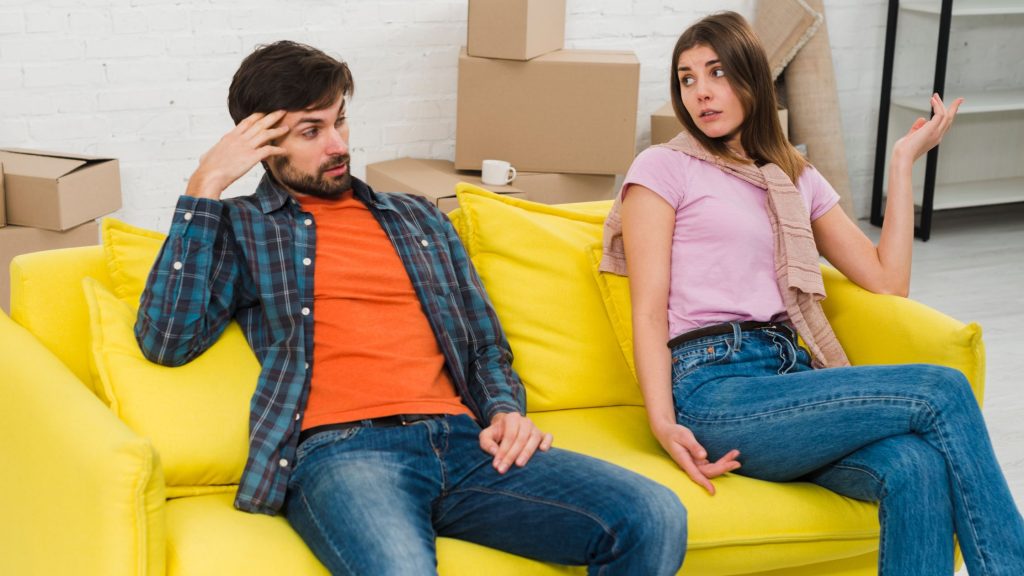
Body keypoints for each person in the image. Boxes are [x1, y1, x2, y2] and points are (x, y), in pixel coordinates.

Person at [135, 40, 686, 575]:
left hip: (468, 442)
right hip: (346, 453)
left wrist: (504, 410)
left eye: (339, 121)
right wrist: (205, 184)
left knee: (651, 515)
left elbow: (484, 341)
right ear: (259, 144)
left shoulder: (417, 218)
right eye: (311, 131)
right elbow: (166, 340)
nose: (337, 145)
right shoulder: (240, 226)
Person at [602, 11, 1024, 576]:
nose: (701, 92)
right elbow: (648, 311)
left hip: (794, 378)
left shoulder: (794, 176)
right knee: (941, 389)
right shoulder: (663, 167)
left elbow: (886, 282)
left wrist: (902, 163)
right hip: (715, 387)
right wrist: (662, 422)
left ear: (751, 77)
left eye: (717, 72)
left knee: (916, 466)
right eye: (687, 78)